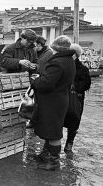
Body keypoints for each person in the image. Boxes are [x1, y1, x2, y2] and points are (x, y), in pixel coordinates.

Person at [30, 35, 76, 171]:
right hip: (58, 100)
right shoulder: (69, 60)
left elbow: (46, 83)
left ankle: (53, 161)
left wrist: (35, 81)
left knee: (54, 132)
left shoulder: (58, 62)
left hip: (53, 102)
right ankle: (46, 155)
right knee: (50, 130)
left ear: (57, 48)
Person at [64, 44, 91, 153]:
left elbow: (86, 84)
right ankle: (54, 141)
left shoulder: (82, 68)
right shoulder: (64, 65)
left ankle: (69, 143)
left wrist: (74, 87)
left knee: (74, 120)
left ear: (74, 55)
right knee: (60, 118)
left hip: (76, 98)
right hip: (64, 97)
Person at [26, 36, 53, 128]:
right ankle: (34, 120)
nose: (33, 47)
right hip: (36, 80)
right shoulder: (39, 52)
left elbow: (40, 67)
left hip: (41, 81)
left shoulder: (48, 53)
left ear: (39, 45)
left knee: (38, 102)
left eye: (34, 45)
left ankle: (35, 122)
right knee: (35, 101)